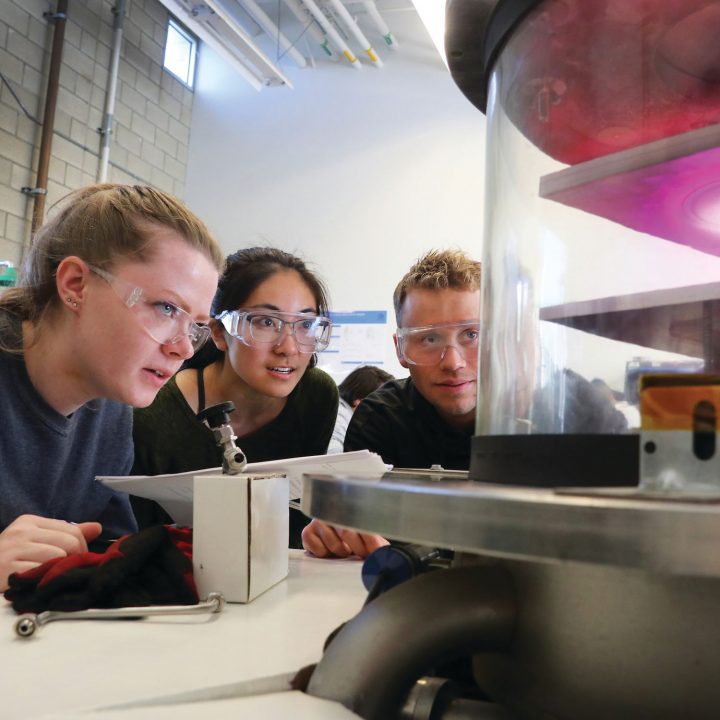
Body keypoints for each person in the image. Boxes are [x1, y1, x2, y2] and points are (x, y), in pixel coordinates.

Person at [0, 183, 224, 591]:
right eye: (166, 308)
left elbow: (112, 549)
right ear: (75, 285)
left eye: (196, 326)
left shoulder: (111, 407)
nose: (184, 349)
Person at [132, 247, 346, 548]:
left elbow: (294, 527)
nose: (288, 347)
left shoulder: (315, 396)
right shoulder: (152, 412)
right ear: (219, 332)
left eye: (306, 324)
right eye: (265, 322)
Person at [302, 248, 480, 558]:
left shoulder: (547, 417)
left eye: (472, 334)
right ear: (400, 349)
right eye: (429, 339)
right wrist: (337, 532)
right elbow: (359, 533)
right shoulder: (379, 419)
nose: (453, 362)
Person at [327, 365, 395, 454]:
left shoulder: (337, 408)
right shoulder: (339, 416)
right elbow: (333, 455)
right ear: (358, 400)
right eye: (383, 399)